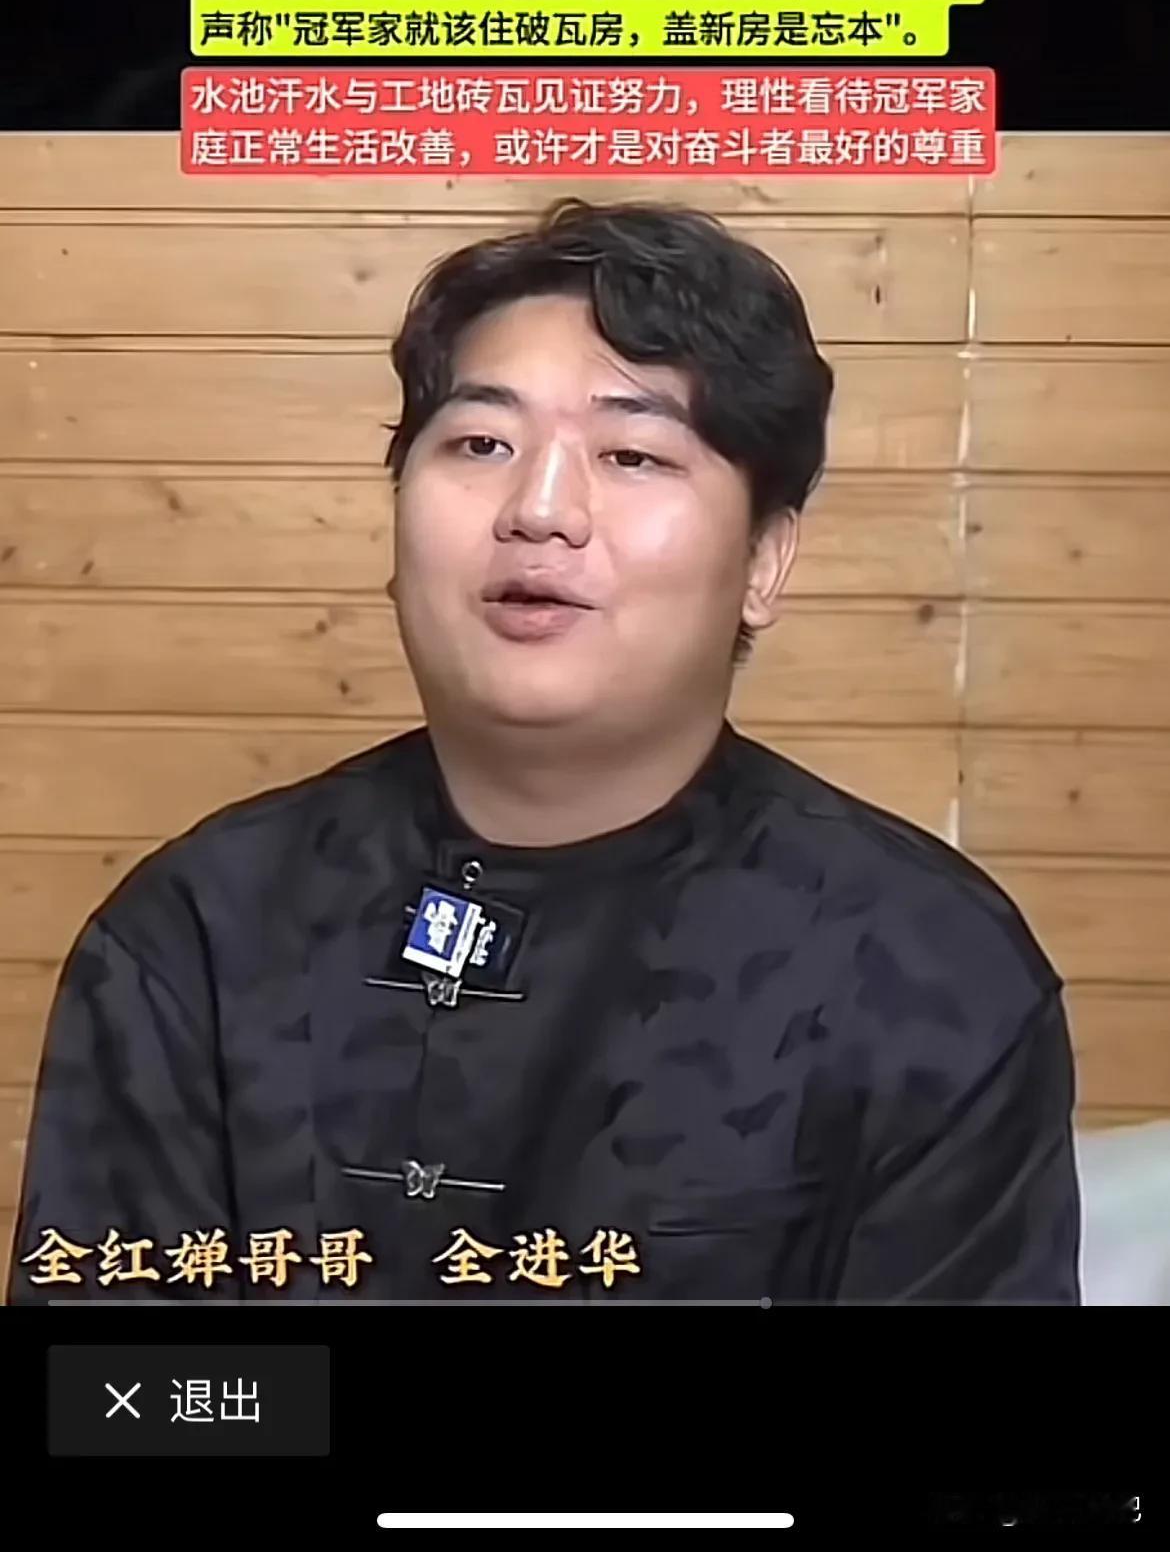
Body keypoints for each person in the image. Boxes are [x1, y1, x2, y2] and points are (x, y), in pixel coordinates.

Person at [7, 198, 1081, 1306]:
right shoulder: (197, 933)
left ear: (763, 559)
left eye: (632, 453)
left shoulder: (926, 970)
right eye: (481, 444)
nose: (541, 509)